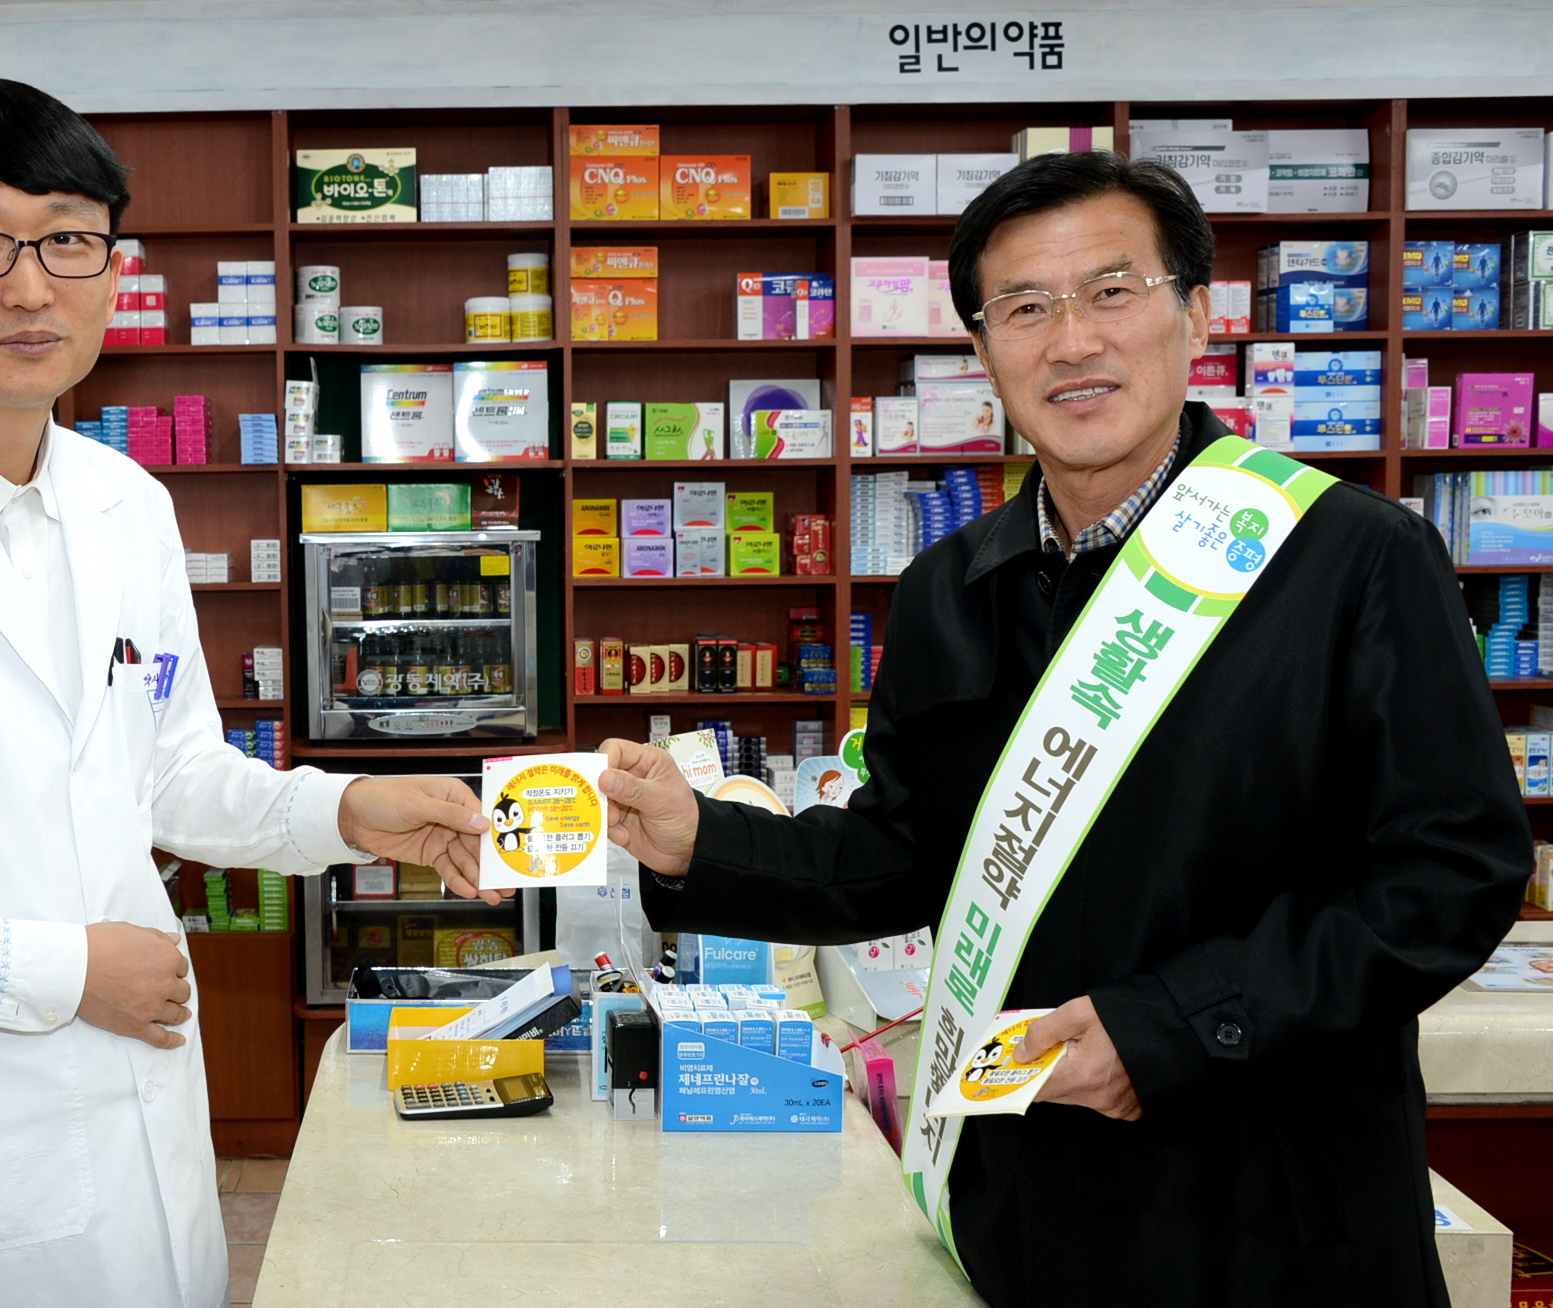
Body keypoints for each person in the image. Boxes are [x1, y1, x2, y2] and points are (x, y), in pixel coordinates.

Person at [589, 153, 1530, 1306]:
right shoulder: (949, 588)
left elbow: (1452, 872)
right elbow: (901, 852)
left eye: (1112, 291)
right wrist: (700, 839)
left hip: (1278, 1220)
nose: (1073, 340)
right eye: (1025, 308)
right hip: (1031, 1213)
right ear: (984, 353)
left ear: (1198, 315)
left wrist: (1171, 1028)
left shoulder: (1352, 557)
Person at [0, 79, 488, 1308]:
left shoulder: (129, 508)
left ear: (112, 270)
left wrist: (341, 812)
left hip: (142, 1125)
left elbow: (170, 773)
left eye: (68, 238)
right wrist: (57, 974)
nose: (30, 287)